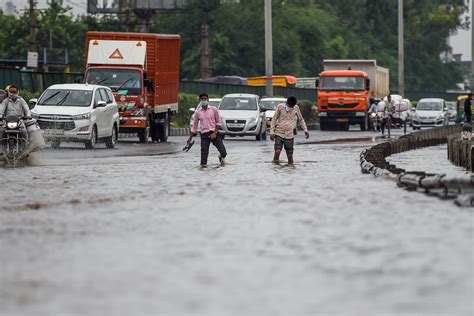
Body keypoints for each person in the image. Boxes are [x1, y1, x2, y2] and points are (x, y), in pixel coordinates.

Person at [187, 93, 227, 168]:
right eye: (202, 99)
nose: (204, 100)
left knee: (223, 152)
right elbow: (194, 127)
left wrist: (215, 133)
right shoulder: (198, 112)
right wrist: (190, 138)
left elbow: (218, 122)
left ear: (208, 99)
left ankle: (221, 158)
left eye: (205, 99)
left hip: (214, 133)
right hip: (204, 135)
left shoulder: (214, 109)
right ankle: (203, 170)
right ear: (200, 100)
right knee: (203, 158)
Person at [269, 96, 309, 164]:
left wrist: (305, 130)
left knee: (290, 156)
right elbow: (274, 119)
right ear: (286, 103)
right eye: (288, 106)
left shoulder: (296, 108)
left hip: (289, 135)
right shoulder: (280, 107)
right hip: (279, 133)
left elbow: (301, 119)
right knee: (277, 151)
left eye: (291, 107)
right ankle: (275, 166)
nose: (289, 108)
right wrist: (272, 131)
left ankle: (290, 168)